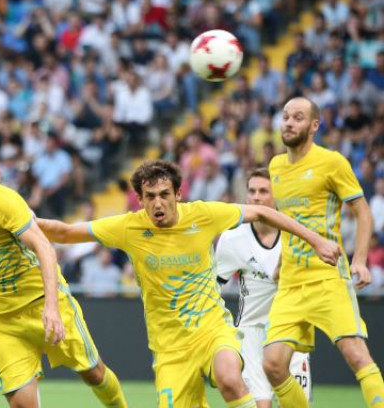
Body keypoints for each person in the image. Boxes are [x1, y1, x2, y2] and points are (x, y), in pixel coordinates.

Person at [37, 159, 340, 408]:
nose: (158, 203)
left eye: (164, 194)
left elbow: (261, 211)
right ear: (140, 200)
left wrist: (315, 240)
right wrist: (18, 222)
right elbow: (64, 232)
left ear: (178, 194)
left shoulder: (203, 216)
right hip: (169, 349)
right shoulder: (128, 227)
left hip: (212, 330)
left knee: (230, 378)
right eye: (150, 196)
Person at [0, 138, 127, 408]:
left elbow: (44, 247)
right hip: (3, 319)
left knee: (94, 374)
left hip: (42, 301)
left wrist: (52, 307)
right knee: (21, 404)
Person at [262, 97, 384, 408]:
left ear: (314, 125)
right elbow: (290, 222)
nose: (289, 122)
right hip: (290, 282)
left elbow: (363, 212)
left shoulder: (332, 162)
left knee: (355, 353)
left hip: (327, 276)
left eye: (298, 117)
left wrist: (359, 260)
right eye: (286, 116)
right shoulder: (275, 167)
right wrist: (279, 261)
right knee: (273, 365)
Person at [215, 169, 311, 407]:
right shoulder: (232, 238)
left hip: (291, 333)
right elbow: (212, 289)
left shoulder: (297, 234)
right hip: (252, 334)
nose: (256, 197)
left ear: (276, 196)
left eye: (263, 191)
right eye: (252, 191)